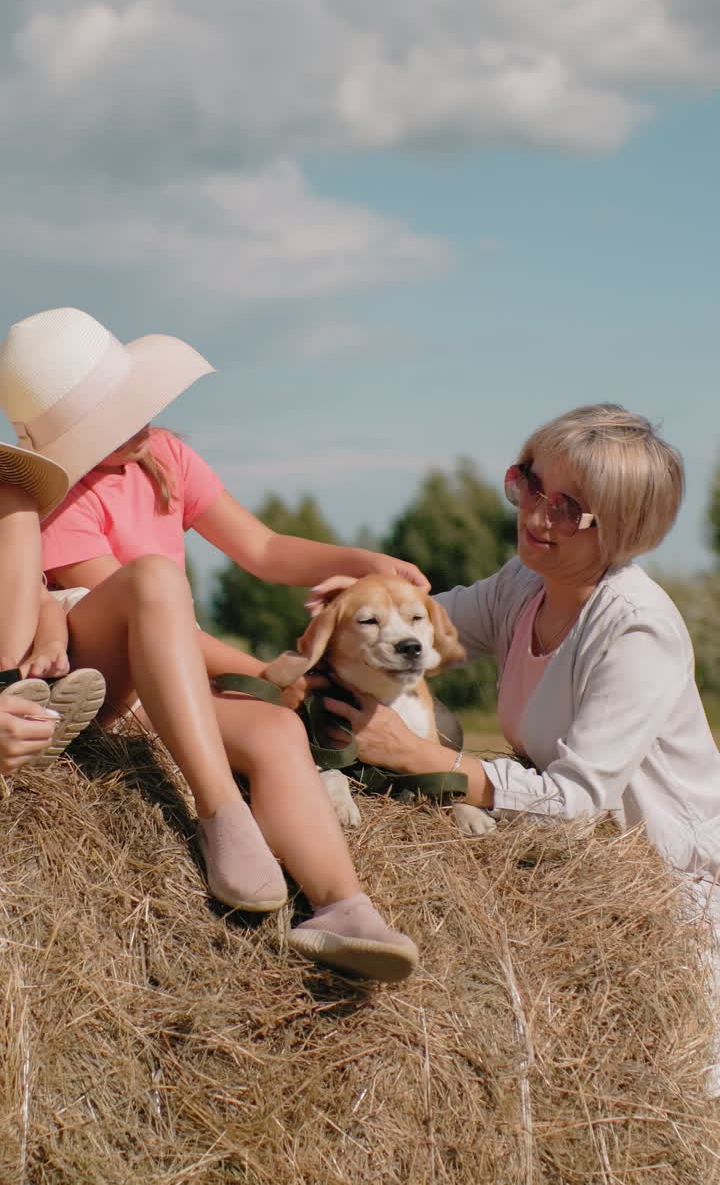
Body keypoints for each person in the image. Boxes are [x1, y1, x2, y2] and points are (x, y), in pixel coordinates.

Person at [0, 307, 423, 981]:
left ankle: (343, 907)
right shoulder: (59, 502)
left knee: (278, 731)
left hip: (176, 691)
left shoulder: (164, 454)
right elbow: (161, 626)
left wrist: (362, 559)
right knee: (156, 579)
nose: (140, 420)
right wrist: (265, 668)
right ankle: (218, 805)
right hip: (109, 683)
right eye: (112, 417)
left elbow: (263, 547)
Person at [318, 404, 720, 1071]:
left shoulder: (634, 627)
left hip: (672, 900)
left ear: (619, 527)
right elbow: (426, 630)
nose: (535, 516)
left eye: (569, 508)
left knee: (683, 1092)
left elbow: (577, 801)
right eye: (531, 484)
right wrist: (359, 609)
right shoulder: (525, 582)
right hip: (580, 880)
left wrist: (427, 760)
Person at [0, 444, 106, 775]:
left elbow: (44, 605)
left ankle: (18, 694)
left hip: (11, 657)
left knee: (16, 503)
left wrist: (50, 646)